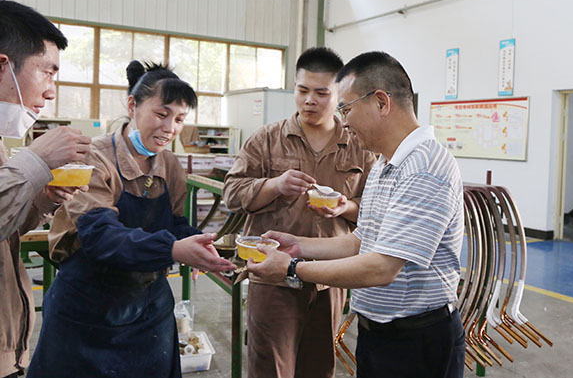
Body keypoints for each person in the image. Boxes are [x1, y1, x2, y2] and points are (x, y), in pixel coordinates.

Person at [248, 51, 466, 378]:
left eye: (346, 109)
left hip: (417, 340)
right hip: (379, 333)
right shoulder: (384, 164)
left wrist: (291, 268)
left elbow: (382, 267)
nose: (345, 122)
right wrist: (297, 245)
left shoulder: (424, 168)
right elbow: (360, 241)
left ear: (381, 102)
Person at [26, 60, 236, 378]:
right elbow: (100, 235)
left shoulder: (170, 165)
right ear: (132, 106)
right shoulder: (94, 158)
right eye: (162, 114)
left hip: (148, 308)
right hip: (87, 307)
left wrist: (199, 244)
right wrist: (174, 249)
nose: (170, 128)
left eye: (180, 119)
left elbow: (174, 223)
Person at [223, 47, 376, 378]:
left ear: (339, 94)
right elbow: (232, 194)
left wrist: (346, 206)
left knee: (319, 367)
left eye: (321, 93)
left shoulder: (359, 146)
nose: (309, 101)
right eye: (302, 90)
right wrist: (274, 185)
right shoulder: (267, 139)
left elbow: (376, 212)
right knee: (271, 368)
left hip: (330, 277)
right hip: (273, 277)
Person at [0, 0, 92, 378]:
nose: (51, 92)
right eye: (46, 73)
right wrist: (35, 160)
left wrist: (40, 198)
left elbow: (5, 229)